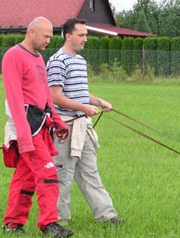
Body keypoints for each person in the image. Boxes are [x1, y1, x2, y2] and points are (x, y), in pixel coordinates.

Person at [46, 18, 123, 226]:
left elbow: (80, 93)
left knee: (90, 172)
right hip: (65, 127)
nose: (85, 39)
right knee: (63, 176)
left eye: (86, 35)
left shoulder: (80, 61)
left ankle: (107, 216)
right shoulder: (57, 61)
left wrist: (98, 101)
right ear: (68, 36)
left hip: (83, 127)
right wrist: (84, 108)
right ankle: (58, 220)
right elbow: (56, 97)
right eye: (81, 35)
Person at [1, 17, 73, 238]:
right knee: (48, 173)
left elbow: (43, 93)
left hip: (40, 125)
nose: (49, 41)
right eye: (46, 36)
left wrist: (56, 119)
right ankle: (49, 225)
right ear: (31, 32)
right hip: (27, 127)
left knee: (25, 178)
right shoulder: (13, 56)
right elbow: (14, 97)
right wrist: (23, 136)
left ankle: (12, 225)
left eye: (51, 36)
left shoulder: (39, 58)